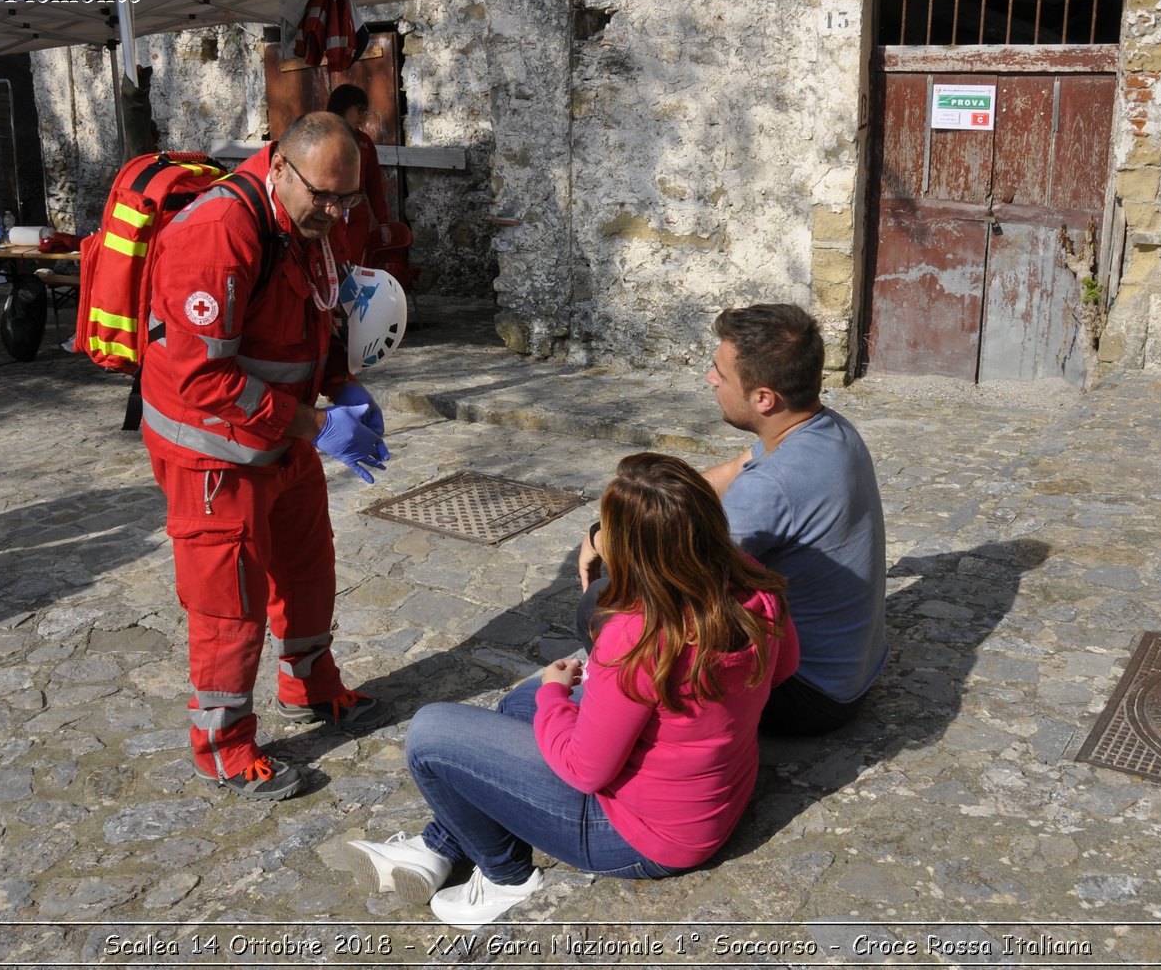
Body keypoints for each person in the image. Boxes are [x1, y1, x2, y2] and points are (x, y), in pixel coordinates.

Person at [349, 452, 800, 928]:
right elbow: (784, 668)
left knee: (432, 734)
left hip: (639, 836)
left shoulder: (637, 633)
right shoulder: (752, 583)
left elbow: (585, 770)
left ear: (629, 549)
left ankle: (505, 877)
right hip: (713, 800)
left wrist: (553, 692)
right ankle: (440, 846)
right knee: (515, 707)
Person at [139, 113, 393, 802]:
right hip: (212, 452)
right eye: (327, 197)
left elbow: (319, 314)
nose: (338, 215)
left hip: (279, 435)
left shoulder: (308, 220)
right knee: (230, 601)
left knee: (308, 564)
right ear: (279, 166)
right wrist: (313, 420)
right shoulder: (217, 233)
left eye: (349, 199)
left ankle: (309, 685)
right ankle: (223, 746)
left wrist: (343, 386)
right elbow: (200, 377)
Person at [577, 304, 888, 737]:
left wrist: (601, 538)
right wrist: (656, 504)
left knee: (601, 606)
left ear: (764, 398)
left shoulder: (774, 485)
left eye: (720, 374)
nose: (710, 379)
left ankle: (637, 725)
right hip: (852, 671)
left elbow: (674, 562)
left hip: (807, 695)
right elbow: (727, 473)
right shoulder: (825, 428)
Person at [325, 83, 392, 266]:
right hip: (327, 213)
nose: (363, 117)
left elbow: (374, 184)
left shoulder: (364, 142)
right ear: (343, 107)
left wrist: (383, 222)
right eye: (359, 110)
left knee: (353, 266)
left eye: (365, 111)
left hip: (357, 213)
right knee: (327, 264)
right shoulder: (321, 138)